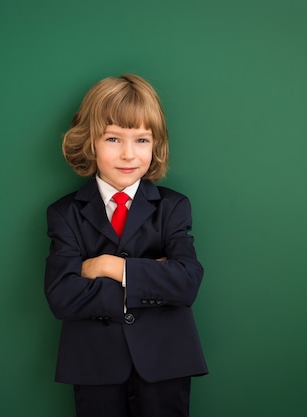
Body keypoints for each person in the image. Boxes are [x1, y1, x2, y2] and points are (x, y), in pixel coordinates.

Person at [44, 74, 208, 417]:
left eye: (142, 140)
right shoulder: (64, 213)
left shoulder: (173, 207)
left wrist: (107, 267)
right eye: (114, 138)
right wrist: (152, 280)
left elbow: (187, 281)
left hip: (166, 361)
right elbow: (61, 295)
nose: (129, 154)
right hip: (94, 366)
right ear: (90, 141)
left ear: (155, 144)